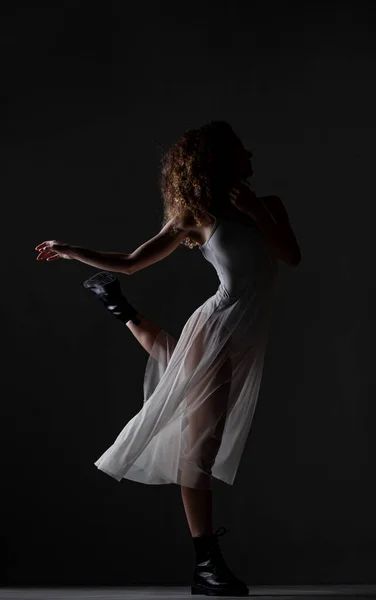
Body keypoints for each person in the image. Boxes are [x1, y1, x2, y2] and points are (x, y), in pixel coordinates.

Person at [35, 120, 301, 596]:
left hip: (244, 333)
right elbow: (133, 261)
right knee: (199, 447)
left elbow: (290, 257)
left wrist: (259, 214)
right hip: (218, 324)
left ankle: (119, 308)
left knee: (175, 367)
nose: (252, 157)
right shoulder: (195, 216)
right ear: (217, 160)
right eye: (241, 150)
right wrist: (71, 250)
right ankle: (206, 564)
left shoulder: (269, 206)